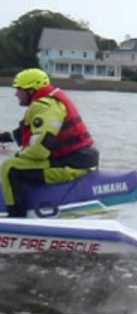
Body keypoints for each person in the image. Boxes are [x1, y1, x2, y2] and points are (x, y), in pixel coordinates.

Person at [0, 68, 99, 217]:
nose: (16, 94)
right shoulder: (49, 102)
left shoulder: (45, 107)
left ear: (31, 90)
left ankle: (16, 217)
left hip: (72, 164)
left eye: (19, 89)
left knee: (9, 168)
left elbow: (40, 149)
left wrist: (17, 155)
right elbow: (24, 134)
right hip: (76, 159)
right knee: (17, 163)